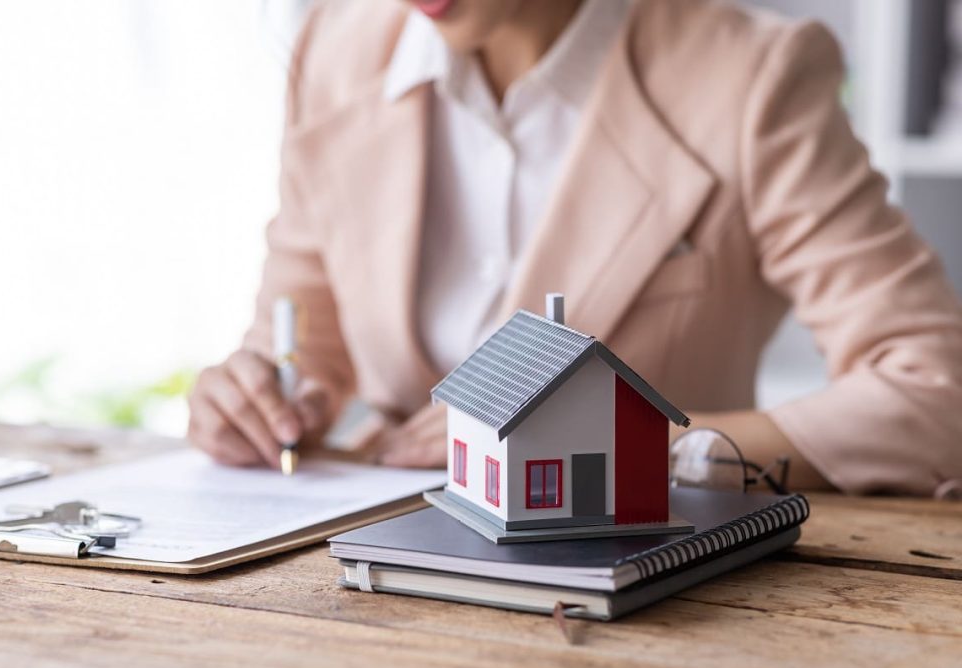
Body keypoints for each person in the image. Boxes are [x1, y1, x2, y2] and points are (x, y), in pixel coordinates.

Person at [187, 0, 962, 497]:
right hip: (375, 586)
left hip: (643, 602)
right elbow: (301, 347)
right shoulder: (338, 47)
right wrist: (264, 398)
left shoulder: (750, 75)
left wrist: (628, 449)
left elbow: (936, 396)